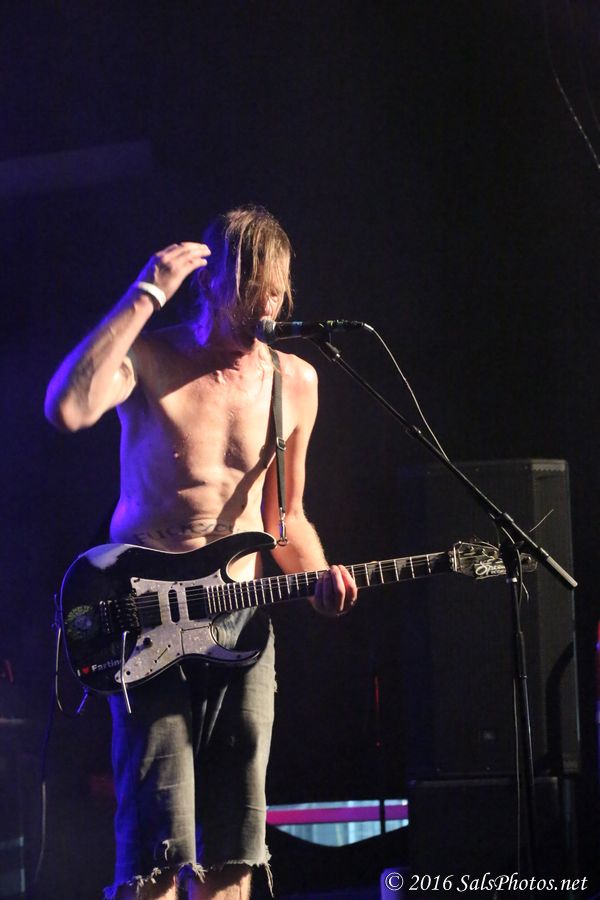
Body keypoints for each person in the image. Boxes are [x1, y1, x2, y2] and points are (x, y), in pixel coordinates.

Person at [44, 205, 358, 900]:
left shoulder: (295, 381)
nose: (265, 310)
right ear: (212, 285)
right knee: (158, 850)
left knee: (234, 846)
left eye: (274, 295)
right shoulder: (152, 357)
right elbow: (67, 408)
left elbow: (285, 519)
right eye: (251, 293)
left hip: (239, 625)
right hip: (144, 618)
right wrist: (145, 293)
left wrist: (320, 581)